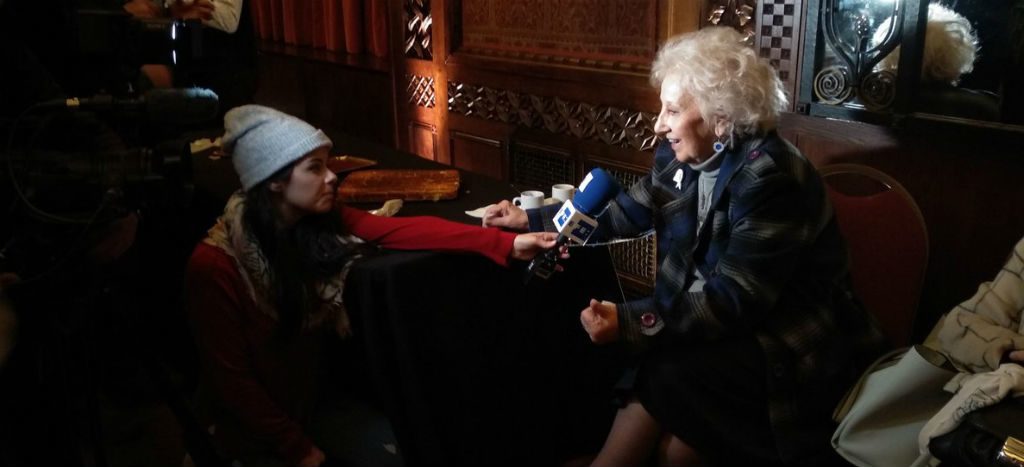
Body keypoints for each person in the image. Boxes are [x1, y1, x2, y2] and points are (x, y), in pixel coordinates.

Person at [482, 27, 883, 467]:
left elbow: (734, 303)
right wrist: (532, 220)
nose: (659, 124)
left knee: (664, 372)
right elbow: (625, 212)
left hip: (784, 347)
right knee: (675, 442)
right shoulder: (682, 157)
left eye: (672, 110)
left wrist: (632, 321)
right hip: (710, 327)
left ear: (722, 117)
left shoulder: (771, 177)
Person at [185, 105, 560, 467]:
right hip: (254, 432)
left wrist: (507, 243)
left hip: (312, 406)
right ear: (274, 182)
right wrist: (296, 448)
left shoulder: (313, 222)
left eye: (328, 164)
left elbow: (399, 230)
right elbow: (233, 384)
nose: (332, 177)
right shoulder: (215, 266)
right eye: (315, 168)